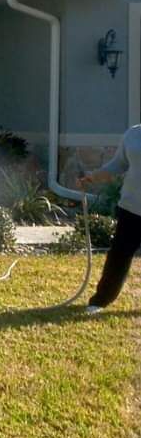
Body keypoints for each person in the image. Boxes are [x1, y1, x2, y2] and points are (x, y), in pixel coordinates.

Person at [78, 124, 141, 313]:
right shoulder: (133, 134)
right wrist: (92, 177)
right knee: (119, 256)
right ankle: (100, 301)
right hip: (132, 207)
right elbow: (118, 164)